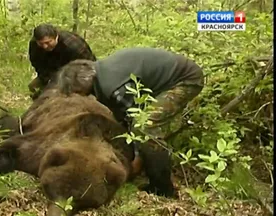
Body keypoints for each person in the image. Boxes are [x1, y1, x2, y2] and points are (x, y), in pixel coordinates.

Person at [56, 47, 205, 196]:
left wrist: (137, 159)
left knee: (145, 127)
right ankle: (150, 163)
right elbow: (123, 114)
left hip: (186, 79)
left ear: (84, 84)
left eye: (78, 92)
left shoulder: (114, 87)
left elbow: (135, 119)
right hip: (163, 79)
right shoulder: (100, 74)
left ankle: (162, 186)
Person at [27, 23, 97, 99]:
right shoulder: (35, 45)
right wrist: (49, 81)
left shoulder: (73, 45)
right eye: (41, 44)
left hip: (75, 77)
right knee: (32, 87)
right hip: (51, 76)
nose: (45, 46)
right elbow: (37, 65)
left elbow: (89, 67)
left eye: (48, 42)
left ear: (56, 37)